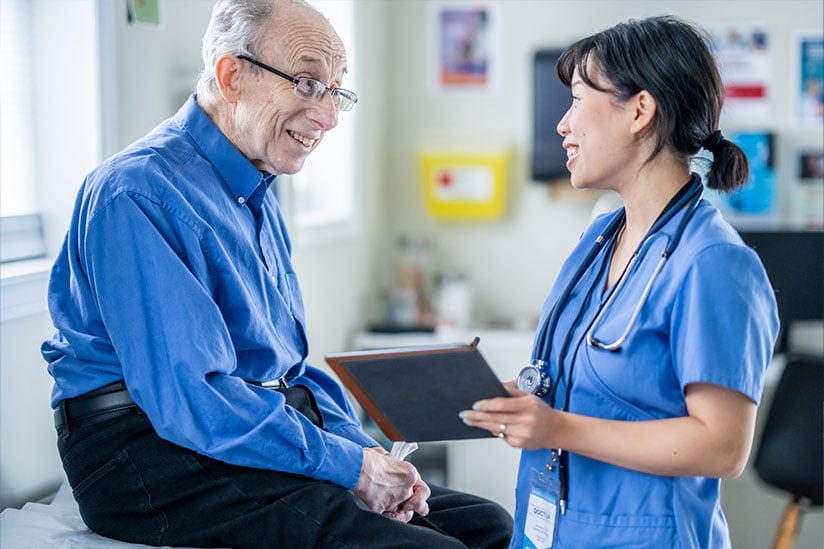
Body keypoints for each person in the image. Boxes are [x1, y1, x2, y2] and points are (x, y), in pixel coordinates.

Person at [41, 0, 513, 547]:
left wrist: (366, 455)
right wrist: (352, 470)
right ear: (231, 75)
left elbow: (288, 371)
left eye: (336, 91)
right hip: (143, 451)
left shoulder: (259, 189)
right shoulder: (136, 192)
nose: (330, 116)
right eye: (309, 84)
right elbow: (194, 400)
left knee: (486, 525)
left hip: (234, 425)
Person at [460, 15, 779, 548]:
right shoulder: (602, 236)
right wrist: (521, 403)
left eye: (578, 99)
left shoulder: (715, 262)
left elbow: (722, 448)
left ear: (640, 110)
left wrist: (557, 428)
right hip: (557, 529)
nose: (563, 124)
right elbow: (593, 385)